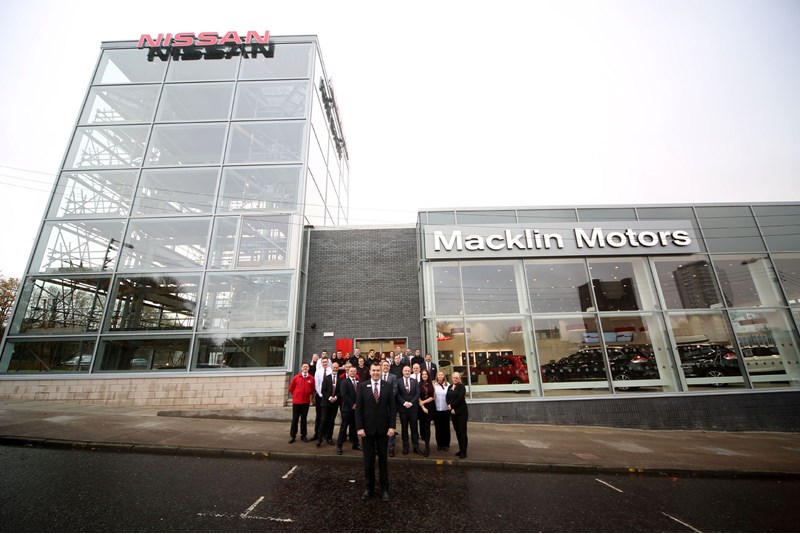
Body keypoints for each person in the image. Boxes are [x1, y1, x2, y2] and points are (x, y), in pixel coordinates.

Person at [355, 361, 396, 502]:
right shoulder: (362, 387)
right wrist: (359, 428)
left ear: (381, 371)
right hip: (366, 431)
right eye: (373, 370)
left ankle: (385, 489)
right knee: (368, 461)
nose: (376, 372)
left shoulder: (388, 386)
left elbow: (392, 408)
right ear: (370, 371)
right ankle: (369, 488)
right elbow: (358, 409)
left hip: (383, 430)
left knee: (383, 461)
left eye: (378, 370)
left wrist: (392, 427)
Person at [287, 362, 315, 443]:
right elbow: (291, 389)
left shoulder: (311, 378)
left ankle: (303, 435)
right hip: (296, 402)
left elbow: (312, 389)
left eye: (307, 366)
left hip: (306, 402)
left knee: (304, 419)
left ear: (309, 368)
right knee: (295, 419)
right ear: (301, 368)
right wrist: (296, 395)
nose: (305, 368)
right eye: (304, 366)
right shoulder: (296, 377)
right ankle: (293, 436)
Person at [396, 365, 421, 455]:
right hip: (403, 409)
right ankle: (405, 447)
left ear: (410, 372)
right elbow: (397, 394)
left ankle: (416, 447)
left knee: (414, 429)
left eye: (408, 371)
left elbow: (417, 393)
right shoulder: (398, 381)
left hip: (413, 409)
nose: (407, 372)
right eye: (405, 371)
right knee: (404, 429)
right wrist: (404, 403)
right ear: (402, 372)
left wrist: (411, 403)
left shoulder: (414, 381)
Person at [336, 365, 361, 454]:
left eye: (354, 371)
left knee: (354, 428)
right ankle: (339, 446)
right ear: (348, 372)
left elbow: (360, 394)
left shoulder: (359, 382)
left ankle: (355, 444)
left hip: (356, 409)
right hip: (347, 409)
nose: (353, 373)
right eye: (351, 371)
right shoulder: (344, 382)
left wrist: (357, 404)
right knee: (343, 428)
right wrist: (352, 404)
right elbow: (344, 394)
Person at [379, 359, 399, 456]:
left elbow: (395, 389)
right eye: (384, 365)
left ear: (389, 367)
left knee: (391, 425)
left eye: (387, 365)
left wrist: (385, 397)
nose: (386, 367)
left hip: (390, 405)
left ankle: (391, 447)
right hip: (379, 405)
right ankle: (380, 446)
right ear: (381, 367)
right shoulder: (378, 376)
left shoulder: (393, 377)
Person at [447, 371, 469, 459]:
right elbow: (447, 397)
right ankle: (460, 449)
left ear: (459, 378)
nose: (455, 379)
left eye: (456, 378)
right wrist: (449, 405)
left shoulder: (461, 387)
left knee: (462, 432)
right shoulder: (450, 386)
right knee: (457, 432)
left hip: (461, 412)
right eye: (453, 378)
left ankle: (464, 451)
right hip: (453, 413)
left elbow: (460, 398)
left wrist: (451, 406)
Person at [318, 361, 340, 446]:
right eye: (334, 367)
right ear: (332, 368)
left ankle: (329, 438)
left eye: (337, 368)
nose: (335, 369)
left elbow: (340, 391)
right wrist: (330, 398)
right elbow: (323, 390)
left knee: (331, 421)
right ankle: (319, 439)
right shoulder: (326, 378)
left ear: (338, 369)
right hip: (326, 403)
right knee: (323, 420)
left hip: (334, 404)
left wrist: (336, 397)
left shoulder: (340, 379)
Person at [312, 354, 331, 441]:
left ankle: (325, 434)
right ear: (321, 363)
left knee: (326, 416)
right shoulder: (318, 372)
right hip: (320, 396)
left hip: (327, 397)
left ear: (328, 362)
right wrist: (321, 394)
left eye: (326, 362)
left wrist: (326, 396)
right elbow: (317, 384)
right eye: (323, 362)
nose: (324, 363)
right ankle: (317, 433)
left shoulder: (330, 370)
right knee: (319, 415)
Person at [417, 368, 434, 456]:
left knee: (427, 427)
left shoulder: (431, 384)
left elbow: (432, 396)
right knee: (422, 427)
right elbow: (418, 396)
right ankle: (423, 442)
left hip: (429, 407)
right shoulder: (418, 384)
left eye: (426, 374)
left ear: (428, 376)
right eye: (423, 374)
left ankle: (427, 447)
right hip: (421, 408)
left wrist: (424, 402)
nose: (424, 376)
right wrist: (423, 406)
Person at [433, 371, 451, 451]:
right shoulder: (434, 385)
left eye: (441, 374)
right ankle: (439, 444)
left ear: (444, 376)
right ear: (437, 376)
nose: (440, 376)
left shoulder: (448, 385)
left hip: (446, 409)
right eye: (439, 375)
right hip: (437, 409)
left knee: (446, 428)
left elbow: (450, 396)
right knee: (438, 428)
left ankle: (446, 444)